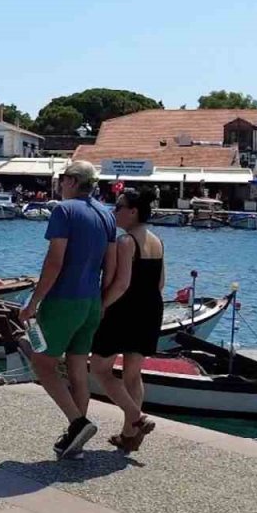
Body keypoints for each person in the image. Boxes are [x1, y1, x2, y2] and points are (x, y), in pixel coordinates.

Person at [19, 160, 117, 459]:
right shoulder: (107, 215)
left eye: (63, 178)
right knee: (77, 368)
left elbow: (54, 262)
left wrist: (33, 302)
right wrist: (101, 302)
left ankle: (78, 423)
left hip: (64, 299)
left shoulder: (64, 210)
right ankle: (76, 442)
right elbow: (110, 267)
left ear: (73, 181)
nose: (60, 184)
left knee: (42, 363)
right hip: (91, 302)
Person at [91, 188, 164, 452]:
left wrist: (101, 306)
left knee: (99, 368)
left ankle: (137, 418)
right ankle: (128, 435)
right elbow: (161, 283)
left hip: (124, 310)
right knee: (133, 374)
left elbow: (121, 284)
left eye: (119, 206)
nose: (114, 211)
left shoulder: (126, 242)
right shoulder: (157, 241)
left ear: (133, 211)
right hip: (151, 309)